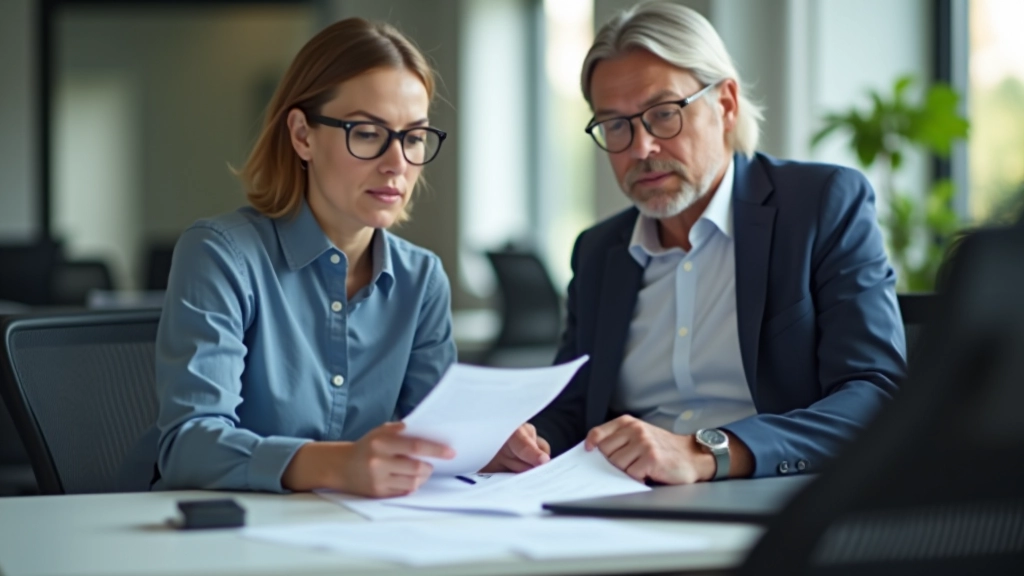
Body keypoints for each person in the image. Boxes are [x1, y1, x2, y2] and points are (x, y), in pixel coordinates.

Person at [486, 1, 907, 483]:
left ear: (725, 104)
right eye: (616, 126)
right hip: (620, 505)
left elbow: (874, 395)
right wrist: (524, 441)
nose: (641, 148)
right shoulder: (600, 251)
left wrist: (706, 453)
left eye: (664, 114)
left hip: (770, 494)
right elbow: (573, 410)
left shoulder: (820, 206)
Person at [151, 18, 457, 497]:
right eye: (368, 132)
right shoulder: (221, 254)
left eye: (413, 137)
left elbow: (435, 434)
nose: (397, 162)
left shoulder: (422, 278)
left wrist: (481, 447)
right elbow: (188, 445)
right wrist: (338, 465)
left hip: (364, 536)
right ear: (302, 135)